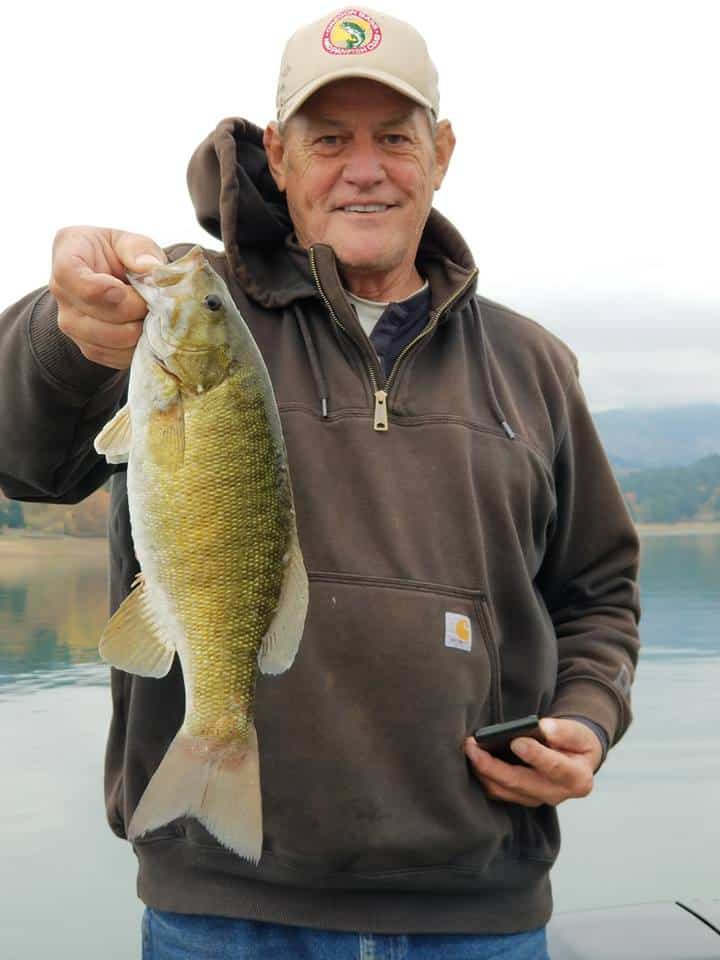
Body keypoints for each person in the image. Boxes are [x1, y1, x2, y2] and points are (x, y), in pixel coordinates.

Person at [0, 7, 641, 959]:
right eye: (328, 138)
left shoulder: (533, 365)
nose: (365, 167)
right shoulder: (179, 308)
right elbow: (23, 454)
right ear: (279, 154)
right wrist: (66, 333)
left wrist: (588, 717)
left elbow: (599, 593)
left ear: (442, 151)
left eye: (394, 136)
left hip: (477, 914)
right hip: (220, 914)